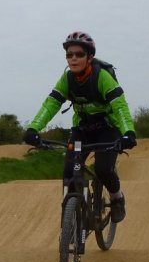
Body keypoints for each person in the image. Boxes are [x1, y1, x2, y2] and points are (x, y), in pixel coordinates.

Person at [23, 31, 136, 223]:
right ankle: (72, 213)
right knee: (70, 171)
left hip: (107, 129)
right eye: (69, 54)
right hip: (82, 130)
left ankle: (117, 199)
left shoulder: (102, 77)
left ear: (89, 57)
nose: (73, 58)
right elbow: (51, 104)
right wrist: (33, 128)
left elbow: (120, 106)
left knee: (102, 169)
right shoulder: (67, 79)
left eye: (79, 54)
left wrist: (128, 133)